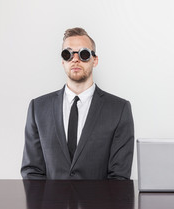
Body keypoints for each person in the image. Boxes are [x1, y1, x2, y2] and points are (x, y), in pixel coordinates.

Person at [21, 27, 134, 180]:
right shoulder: (38, 108)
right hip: (49, 203)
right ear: (62, 61)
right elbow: (31, 171)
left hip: (99, 204)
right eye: (67, 54)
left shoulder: (119, 109)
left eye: (84, 54)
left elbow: (119, 176)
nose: (75, 59)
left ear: (95, 60)